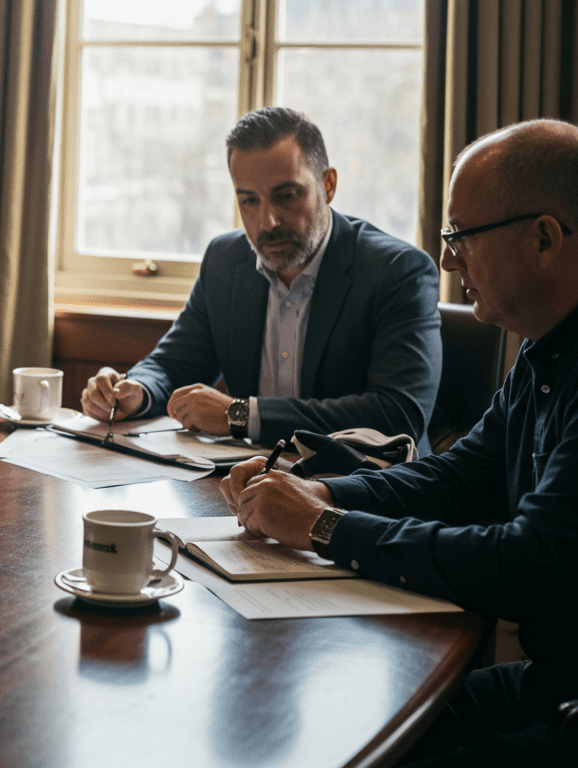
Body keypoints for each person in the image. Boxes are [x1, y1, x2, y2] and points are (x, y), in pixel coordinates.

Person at [222, 119, 578, 765]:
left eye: (461, 236)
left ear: (545, 238)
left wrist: (326, 528)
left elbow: (529, 564)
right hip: (552, 680)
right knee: (334, 740)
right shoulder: (543, 353)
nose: (447, 259)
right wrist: (320, 489)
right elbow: (458, 477)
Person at [81, 107, 443, 452]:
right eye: (249, 201)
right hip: (249, 481)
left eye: (286, 196)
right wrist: (135, 390)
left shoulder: (397, 270)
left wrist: (240, 415)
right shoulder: (225, 261)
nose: (268, 222)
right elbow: (173, 365)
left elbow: (398, 414)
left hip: (366, 489)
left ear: (328, 185)